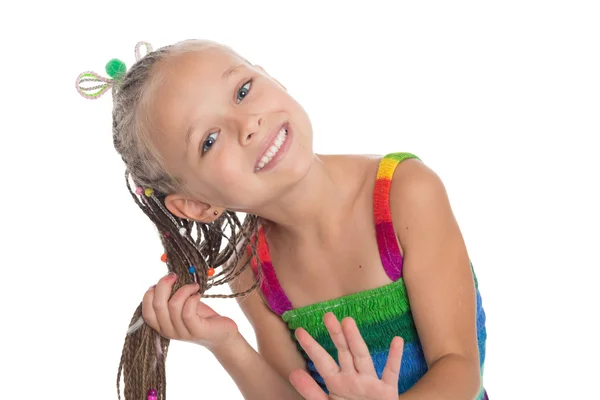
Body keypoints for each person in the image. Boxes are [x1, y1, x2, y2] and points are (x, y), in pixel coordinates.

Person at [76, 40, 487, 400]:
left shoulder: (405, 193)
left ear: (271, 77)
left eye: (242, 90)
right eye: (209, 140)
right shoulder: (254, 266)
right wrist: (228, 343)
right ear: (198, 205)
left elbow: (461, 368)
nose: (248, 125)